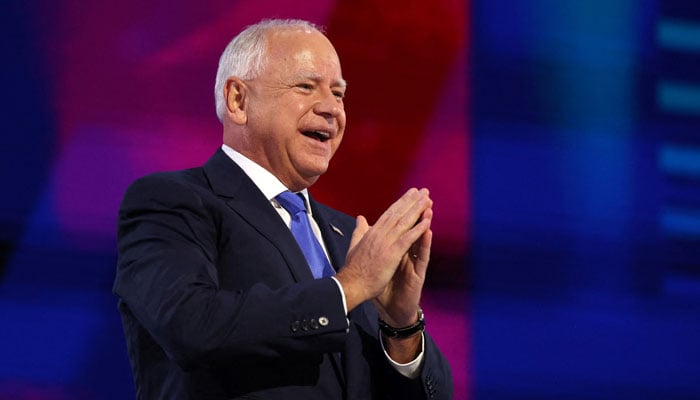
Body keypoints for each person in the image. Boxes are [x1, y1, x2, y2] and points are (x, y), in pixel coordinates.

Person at [114, 18, 453, 399]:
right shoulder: (172, 201)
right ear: (238, 100)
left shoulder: (349, 239)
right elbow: (190, 325)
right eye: (306, 87)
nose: (331, 109)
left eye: (339, 94)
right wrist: (351, 286)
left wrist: (401, 324)